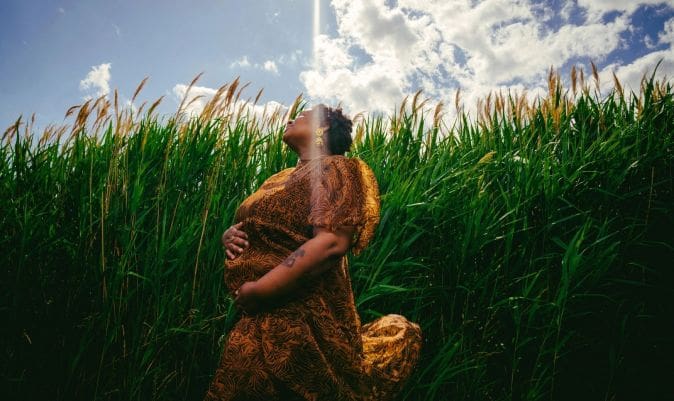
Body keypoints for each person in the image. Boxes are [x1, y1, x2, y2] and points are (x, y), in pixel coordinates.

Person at [203, 104, 422, 401]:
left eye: (303, 116)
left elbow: (330, 242)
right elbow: (261, 227)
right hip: (259, 316)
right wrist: (228, 236)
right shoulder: (279, 178)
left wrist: (260, 290)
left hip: (298, 316)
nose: (292, 118)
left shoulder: (336, 168)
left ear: (324, 128)